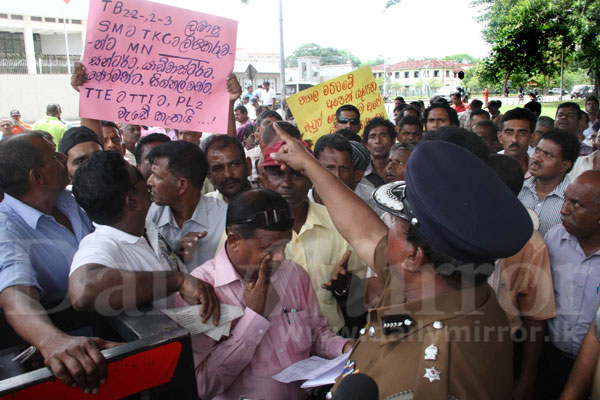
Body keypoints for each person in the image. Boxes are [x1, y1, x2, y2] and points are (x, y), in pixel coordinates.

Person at [269, 123, 533, 399]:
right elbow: (364, 232)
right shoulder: (445, 283)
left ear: (412, 257)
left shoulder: (435, 376)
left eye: (394, 223)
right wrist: (308, 164)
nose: (385, 231)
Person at [179, 189, 351, 399]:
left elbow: (317, 332)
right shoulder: (202, 292)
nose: (280, 257)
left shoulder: (295, 275)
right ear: (234, 240)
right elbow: (202, 385)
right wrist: (254, 318)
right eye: (268, 249)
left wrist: (345, 348)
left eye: (285, 246)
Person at [0, 132, 111, 394]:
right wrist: (51, 340)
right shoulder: (5, 229)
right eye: (53, 155)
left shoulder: (67, 198)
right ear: (37, 177)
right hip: (72, 348)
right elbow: (15, 294)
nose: (63, 157)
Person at [68, 151, 220, 318]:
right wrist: (178, 280)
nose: (148, 182)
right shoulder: (101, 244)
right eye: (140, 176)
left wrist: (178, 258)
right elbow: (83, 290)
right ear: (132, 201)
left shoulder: (146, 226)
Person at [259, 140, 367, 335]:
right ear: (262, 178)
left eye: (296, 174)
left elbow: (365, 291)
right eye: (276, 173)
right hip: (274, 348)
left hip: (335, 341)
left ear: (311, 178)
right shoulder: (246, 231)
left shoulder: (339, 223)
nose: (287, 183)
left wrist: (346, 287)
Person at [486, 154, 556, 400]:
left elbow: (536, 318)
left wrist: (526, 379)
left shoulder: (531, 244)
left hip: (503, 347)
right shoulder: (456, 227)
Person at [535, 171, 600, 399]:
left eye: (576, 204)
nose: (564, 210)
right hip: (549, 359)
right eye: (565, 199)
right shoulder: (554, 239)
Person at [147, 141, 228, 271]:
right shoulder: (149, 218)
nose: (149, 181)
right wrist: (175, 258)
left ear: (182, 185)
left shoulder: (225, 220)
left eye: (157, 176)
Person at [518, 129, 580, 235]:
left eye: (547, 155)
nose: (537, 158)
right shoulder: (518, 189)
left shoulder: (575, 200)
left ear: (565, 165)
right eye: (537, 150)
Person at [312, 133, 382, 216]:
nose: (337, 175)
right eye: (329, 168)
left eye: (343, 168)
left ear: (356, 175)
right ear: (313, 167)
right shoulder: (299, 201)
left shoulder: (374, 203)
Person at [203, 134, 252, 203]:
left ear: (248, 166)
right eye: (218, 169)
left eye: (234, 165)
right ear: (209, 176)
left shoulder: (268, 202)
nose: (228, 174)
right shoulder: (203, 208)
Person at [246, 110, 283, 183]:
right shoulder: (248, 157)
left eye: (276, 125)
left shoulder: (290, 154)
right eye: (267, 123)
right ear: (257, 130)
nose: (272, 127)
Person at [497, 108, 537, 175]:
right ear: (500, 137)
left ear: (531, 138)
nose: (514, 139)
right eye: (509, 132)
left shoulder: (540, 170)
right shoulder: (488, 168)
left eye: (522, 133)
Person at [362, 117, 397, 187]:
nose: (377, 141)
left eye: (383, 135)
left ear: (393, 141)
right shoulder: (360, 173)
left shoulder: (401, 169)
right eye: (373, 136)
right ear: (366, 144)